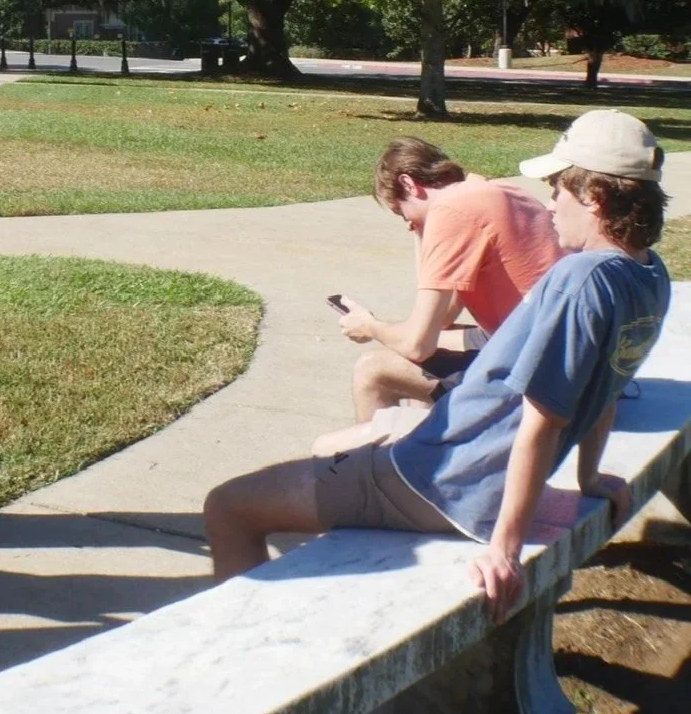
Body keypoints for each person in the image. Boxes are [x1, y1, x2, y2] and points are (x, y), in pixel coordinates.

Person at [203, 110, 670, 624]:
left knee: (228, 506)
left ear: (594, 197)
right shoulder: (648, 275)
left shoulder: (578, 281)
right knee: (348, 443)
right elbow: (603, 386)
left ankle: (243, 647)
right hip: (468, 469)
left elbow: (543, 421)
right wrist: (589, 477)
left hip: (442, 482)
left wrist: (504, 551)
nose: (550, 201)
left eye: (558, 187)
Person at [315, 138, 562, 453]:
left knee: (372, 368)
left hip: (531, 380)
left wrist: (370, 326)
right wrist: (421, 231)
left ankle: (373, 480)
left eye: (400, 211)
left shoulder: (452, 210)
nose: (406, 222)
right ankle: (423, 454)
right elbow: (443, 318)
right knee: (421, 347)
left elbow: (418, 343)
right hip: (551, 354)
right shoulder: (496, 191)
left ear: (408, 183)